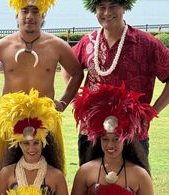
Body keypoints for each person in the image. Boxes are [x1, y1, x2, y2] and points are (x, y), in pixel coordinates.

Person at [62, 0, 169, 164]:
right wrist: (77, 101)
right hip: (92, 133)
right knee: (91, 184)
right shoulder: (87, 41)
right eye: (101, 7)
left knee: (133, 186)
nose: (106, 13)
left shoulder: (146, 43)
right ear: (95, 9)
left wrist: (151, 112)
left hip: (133, 134)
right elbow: (68, 68)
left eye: (113, 6)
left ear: (124, 7)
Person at [0, 0, 84, 111]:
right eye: (24, 11)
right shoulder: (2, 46)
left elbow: (77, 73)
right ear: (17, 15)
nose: (30, 16)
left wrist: (63, 103)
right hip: (10, 117)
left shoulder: (57, 46)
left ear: (43, 16)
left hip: (45, 118)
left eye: (36, 12)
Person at [70, 83, 157, 195]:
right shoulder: (84, 172)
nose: (110, 145)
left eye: (116, 139)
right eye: (105, 139)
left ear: (125, 139)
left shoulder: (140, 175)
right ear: (98, 140)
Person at [0, 89, 70, 195]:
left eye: (36, 143)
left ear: (44, 142)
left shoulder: (56, 176)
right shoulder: (6, 173)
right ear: (18, 143)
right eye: (26, 143)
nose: (31, 149)